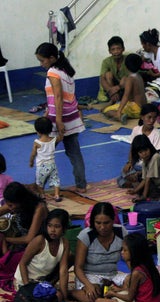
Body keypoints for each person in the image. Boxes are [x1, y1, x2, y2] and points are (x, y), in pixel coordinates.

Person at [35, 42, 87, 193]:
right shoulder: (66, 72)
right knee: (74, 153)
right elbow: (58, 97)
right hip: (72, 118)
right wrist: (47, 112)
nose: (41, 64)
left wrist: (57, 120)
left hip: (59, 119)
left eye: (42, 60)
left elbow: (58, 97)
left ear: (51, 58)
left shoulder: (52, 72)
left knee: (44, 153)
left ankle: (40, 186)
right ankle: (81, 185)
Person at [72, 202, 127, 302]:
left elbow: (130, 258)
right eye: (98, 223)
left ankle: (107, 298)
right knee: (92, 296)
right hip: (89, 275)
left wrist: (131, 280)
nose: (102, 227)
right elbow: (78, 268)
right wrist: (88, 285)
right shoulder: (86, 235)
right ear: (93, 221)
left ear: (113, 220)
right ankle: (72, 293)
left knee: (137, 284)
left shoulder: (121, 231)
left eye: (106, 223)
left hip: (113, 274)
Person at [0, 182, 48, 291]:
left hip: (36, 248)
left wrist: (5, 239)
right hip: (19, 243)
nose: (9, 208)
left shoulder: (39, 208)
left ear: (20, 201)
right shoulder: (15, 204)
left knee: (5, 265)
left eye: (11, 205)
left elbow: (29, 239)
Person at [15, 209, 70, 302]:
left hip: (41, 281)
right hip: (26, 281)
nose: (52, 230)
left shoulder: (65, 243)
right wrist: (27, 288)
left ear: (64, 228)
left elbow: (63, 271)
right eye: (50, 226)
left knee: (58, 297)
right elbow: (22, 263)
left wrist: (65, 298)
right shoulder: (40, 240)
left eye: (57, 226)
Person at [100, 233, 160, 302]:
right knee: (124, 284)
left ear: (134, 252)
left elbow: (129, 298)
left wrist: (113, 294)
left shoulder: (137, 272)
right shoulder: (147, 264)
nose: (122, 252)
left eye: (125, 250)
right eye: (121, 249)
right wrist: (121, 289)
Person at [103, 53, 146, 124]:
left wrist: (119, 111)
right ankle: (122, 113)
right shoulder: (139, 76)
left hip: (136, 109)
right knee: (114, 106)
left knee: (107, 111)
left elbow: (126, 96)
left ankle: (120, 116)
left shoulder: (130, 79)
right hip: (143, 108)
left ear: (125, 66)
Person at [128, 134, 160, 201]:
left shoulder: (155, 157)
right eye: (141, 152)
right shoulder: (145, 161)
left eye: (146, 150)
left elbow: (148, 179)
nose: (144, 154)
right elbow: (145, 179)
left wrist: (143, 196)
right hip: (159, 185)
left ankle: (156, 197)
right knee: (137, 178)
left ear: (150, 148)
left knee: (143, 185)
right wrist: (135, 191)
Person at [29, 117, 62, 201]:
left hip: (42, 166)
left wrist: (31, 162)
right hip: (52, 164)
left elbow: (33, 154)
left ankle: (42, 195)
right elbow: (61, 137)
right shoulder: (54, 140)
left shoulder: (37, 142)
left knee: (39, 182)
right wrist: (60, 129)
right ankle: (57, 195)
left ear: (38, 131)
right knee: (55, 180)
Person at [98, 36, 129, 103]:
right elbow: (102, 78)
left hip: (125, 87)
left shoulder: (128, 59)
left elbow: (131, 77)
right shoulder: (106, 61)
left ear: (123, 49)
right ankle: (114, 98)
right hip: (112, 89)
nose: (116, 52)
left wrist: (118, 87)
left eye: (118, 48)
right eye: (113, 49)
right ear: (109, 51)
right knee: (108, 74)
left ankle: (119, 98)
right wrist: (111, 91)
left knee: (125, 78)